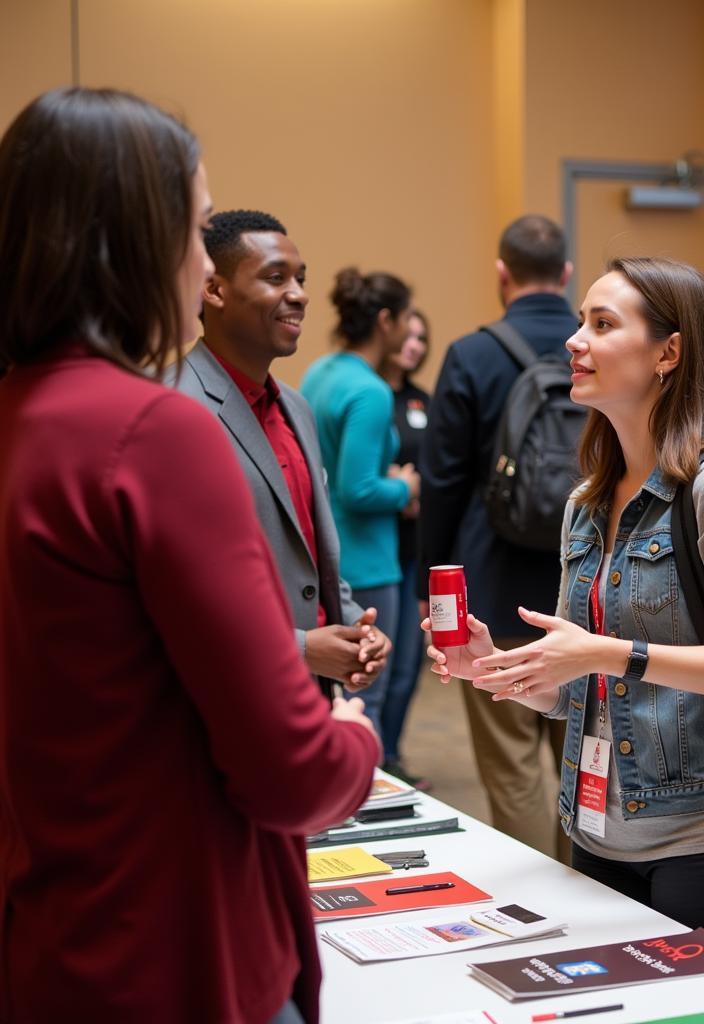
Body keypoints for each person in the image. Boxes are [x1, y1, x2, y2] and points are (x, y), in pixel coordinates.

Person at [0, 88, 379, 1023]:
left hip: (49, 920)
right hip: (173, 940)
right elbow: (286, 768)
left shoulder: (21, 414)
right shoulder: (154, 432)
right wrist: (357, 742)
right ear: (138, 240)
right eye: (197, 227)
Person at [425, 257, 704, 971]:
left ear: (669, 352)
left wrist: (611, 653)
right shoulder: (588, 501)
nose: (575, 340)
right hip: (599, 837)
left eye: (602, 324)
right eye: (581, 321)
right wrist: (505, 671)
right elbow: (593, 694)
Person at [172, 209, 391, 700]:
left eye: (301, 279)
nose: (300, 294)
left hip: (306, 695)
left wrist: (354, 626)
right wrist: (301, 648)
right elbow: (177, 591)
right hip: (222, 693)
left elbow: (307, 550)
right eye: (276, 278)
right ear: (214, 290)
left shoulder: (295, 407)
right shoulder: (173, 408)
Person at [418, 214, 577, 859]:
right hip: (585, 587)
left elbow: (442, 482)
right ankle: (594, 893)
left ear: (501, 274)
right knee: (585, 761)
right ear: (566, 274)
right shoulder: (594, 345)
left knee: (511, 765)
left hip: (493, 586)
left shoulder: (472, 354)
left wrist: (436, 596)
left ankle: (545, 906)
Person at [301, 268, 419, 748]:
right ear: (386, 321)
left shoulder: (320, 372)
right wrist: (406, 487)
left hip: (327, 553)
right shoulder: (370, 391)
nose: (412, 330)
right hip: (369, 561)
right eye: (408, 319)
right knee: (367, 691)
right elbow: (359, 489)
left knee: (331, 695)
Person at [378, 308, 432, 786]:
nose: (413, 345)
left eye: (422, 338)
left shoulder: (422, 400)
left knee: (409, 659)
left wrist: (416, 491)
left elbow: (437, 467)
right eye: (407, 335)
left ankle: (390, 753)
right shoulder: (372, 394)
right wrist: (396, 490)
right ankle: (370, 756)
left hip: (413, 544)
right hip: (376, 542)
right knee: (381, 655)